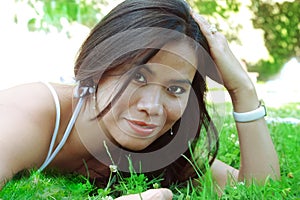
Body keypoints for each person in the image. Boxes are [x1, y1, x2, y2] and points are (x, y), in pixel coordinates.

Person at [0, 0, 280, 199]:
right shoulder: (33, 110)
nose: (153, 107)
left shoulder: (162, 146)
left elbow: (259, 189)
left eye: (176, 89)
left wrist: (242, 90)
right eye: (138, 78)